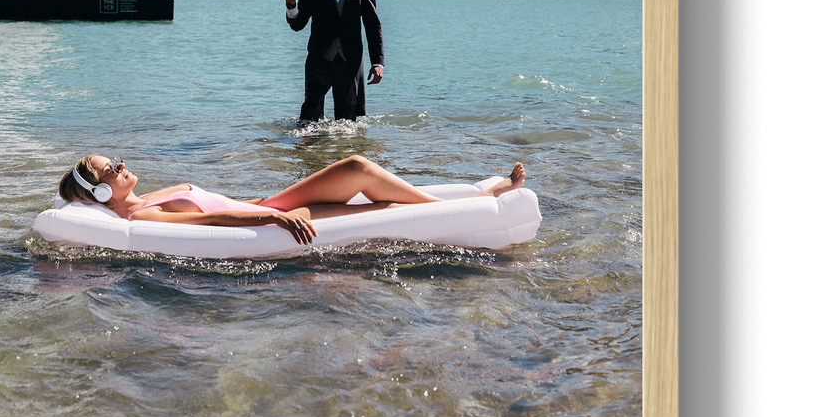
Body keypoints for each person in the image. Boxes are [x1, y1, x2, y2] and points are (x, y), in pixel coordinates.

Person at [59, 152, 529, 247]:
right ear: (101, 191)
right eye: (110, 170)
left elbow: (214, 201)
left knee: (364, 182)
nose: (121, 165)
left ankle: (482, 194)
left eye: (115, 160)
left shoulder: (149, 195)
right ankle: (484, 197)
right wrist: (275, 220)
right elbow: (209, 223)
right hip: (273, 215)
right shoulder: (146, 215)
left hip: (270, 203)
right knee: (359, 171)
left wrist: (263, 204)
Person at [279, 0, 383, 124]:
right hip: (319, 62)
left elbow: (373, 27)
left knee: (348, 125)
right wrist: (291, 4)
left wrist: (377, 63)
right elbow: (297, 25)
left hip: (350, 63)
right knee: (308, 123)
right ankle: (310, 154)